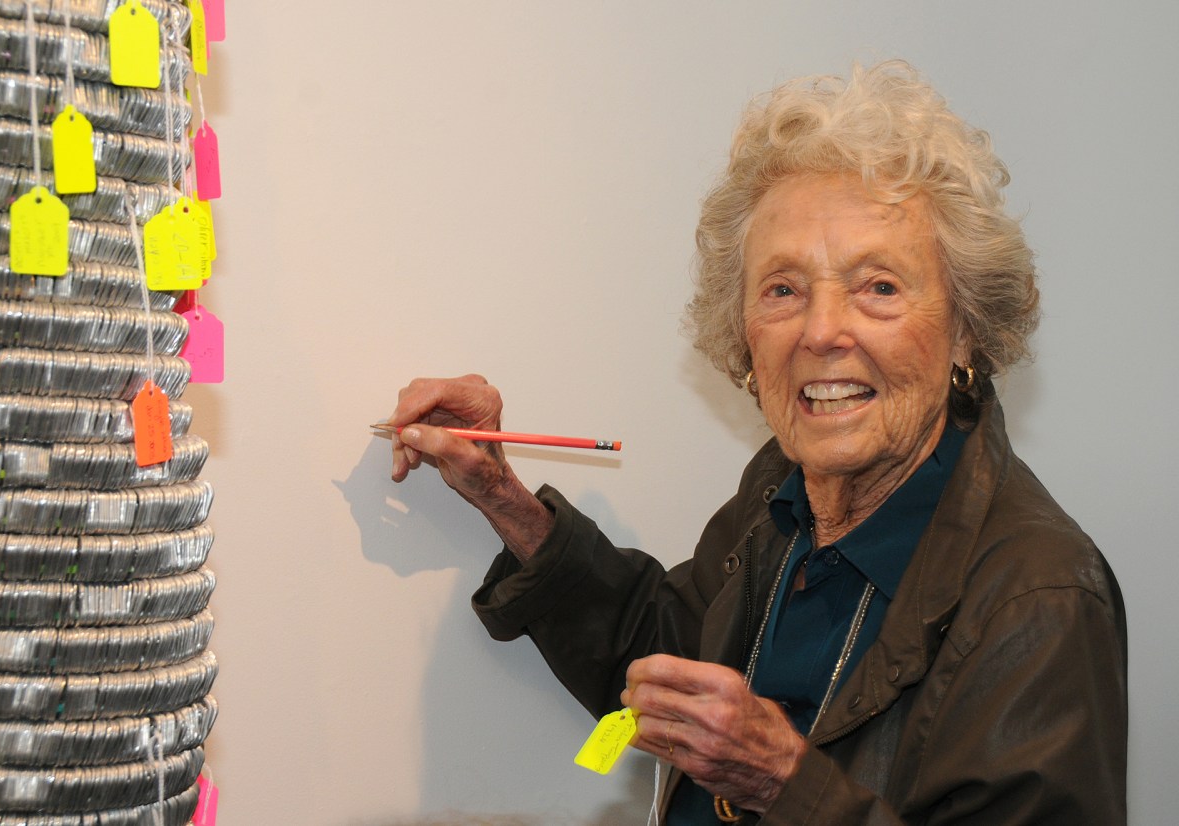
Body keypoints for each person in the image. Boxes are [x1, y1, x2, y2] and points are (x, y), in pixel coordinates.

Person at [386, 60, 1127, 825]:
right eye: (783, 289)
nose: (821, 331)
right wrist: (501, 495)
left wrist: (785, 784)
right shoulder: (783, 486)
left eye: (878, 286)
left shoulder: (1041, 599)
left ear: (965, 329)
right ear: (742, 334)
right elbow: (667, 655)